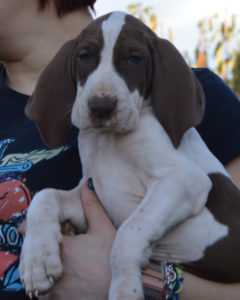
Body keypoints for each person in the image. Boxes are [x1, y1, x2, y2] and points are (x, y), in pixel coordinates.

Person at [1, 1, 240, 299]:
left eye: (132, 60)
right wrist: (44, 211)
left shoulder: (177, 98)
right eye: (86, 58)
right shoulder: (70, 109)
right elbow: (95, 195)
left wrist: (137, 277)